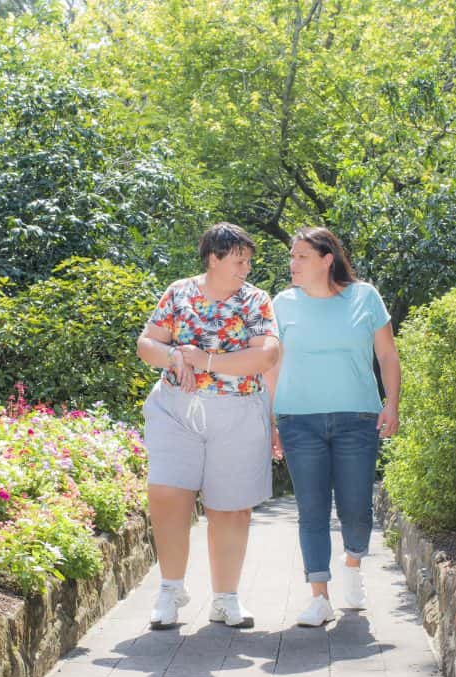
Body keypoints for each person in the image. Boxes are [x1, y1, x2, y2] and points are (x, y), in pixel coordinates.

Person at [136, 222, 280, 630]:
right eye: (238, 260)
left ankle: (226, 599)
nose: (246, 268)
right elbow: (148, 343)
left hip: (238, 410)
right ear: (213, 259)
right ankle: (170, 591)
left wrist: (204, 360)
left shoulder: (255, 301)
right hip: (176, 409)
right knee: (167, 494)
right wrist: (173, 358)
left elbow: (264, 356)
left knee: (231, 509)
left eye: (248, 261)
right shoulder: (179, 292)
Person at [264, 227, 401, 627]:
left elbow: (388, 355)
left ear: (327, 259)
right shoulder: (282, 304)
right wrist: (271, 420)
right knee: (312, 509)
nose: (293, 264)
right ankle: (319, 595)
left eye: (302, 256)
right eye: (292, 256)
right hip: (298, 421)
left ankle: (354, 564)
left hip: (356, 419)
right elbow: (272, 366)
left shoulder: (365, 297)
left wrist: (391, 404)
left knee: (357, 509)